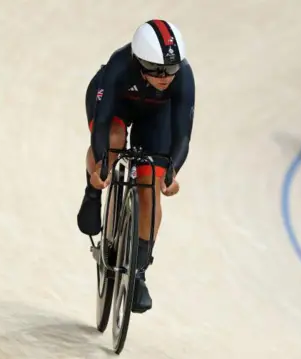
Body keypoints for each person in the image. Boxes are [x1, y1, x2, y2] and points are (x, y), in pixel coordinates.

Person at [76, 19, 196, 313]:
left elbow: (182, 134)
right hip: (114, 105)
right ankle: (92, 194)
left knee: (150, 186)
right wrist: (102, 167)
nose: (165, 77)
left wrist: (172, 173)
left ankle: (140, 271)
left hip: (155, 117)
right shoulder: (119, 66)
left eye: (170, 70)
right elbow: (101, 124)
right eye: (156, 70)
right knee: (114, 140)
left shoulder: (184, 77)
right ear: (139, 62)